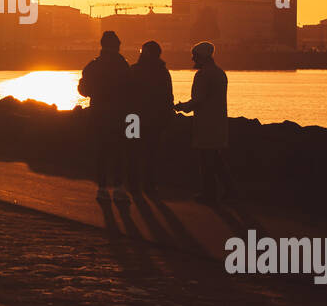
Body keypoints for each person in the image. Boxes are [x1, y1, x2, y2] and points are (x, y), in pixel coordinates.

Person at [174, 41, 236, 206]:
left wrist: (182, 107)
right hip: (219, 121)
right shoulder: (220, 73)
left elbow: (198, 100)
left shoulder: (203, 75)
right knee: (215, 158)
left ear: (201, 56)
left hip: (206, 123)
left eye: (194, 56)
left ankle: (210, 194)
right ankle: (229, 190)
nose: (193, 59)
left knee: (207, 159)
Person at [78, 30, 132, 200]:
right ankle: (119, 187)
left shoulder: (93, 66)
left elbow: (83, 90)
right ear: (117, 46)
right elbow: (132, 90)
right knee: (120, 151)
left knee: (102, 151)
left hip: (98, 114)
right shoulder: (124, 65)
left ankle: (101, 188)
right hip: (120, 114)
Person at [126, 40, 173, 195]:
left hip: (133, 118)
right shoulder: (163, 72)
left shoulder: (134, 70)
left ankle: (132, 184)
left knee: (132, 151)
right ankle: (149, 185)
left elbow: (125, 93)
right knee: (151, 152)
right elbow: (168, 97)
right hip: (155, 118)